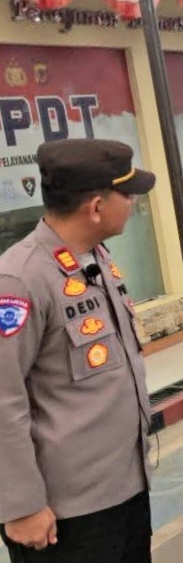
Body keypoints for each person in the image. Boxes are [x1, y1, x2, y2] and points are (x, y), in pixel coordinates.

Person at [0, 140, 155, 563]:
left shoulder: (94, 259)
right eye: (127, 193)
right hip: (67, 514)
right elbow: (3, 399)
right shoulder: (21, 278)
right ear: (95, 207)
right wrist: (21, 505)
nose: (134, 201)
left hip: (123, 488)